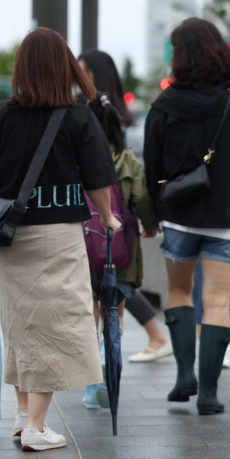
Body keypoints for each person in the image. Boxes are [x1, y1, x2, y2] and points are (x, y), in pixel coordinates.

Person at [0, 28, 121, 451]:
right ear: (62, 66)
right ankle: (35, 425)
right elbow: (99, 179)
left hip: (7, 236)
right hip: (57, 236)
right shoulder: (78, 116)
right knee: (54, 325)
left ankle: (21, 415)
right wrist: (108, 217)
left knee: (19, 321)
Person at [144, 17, 230, 415]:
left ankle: (184, 376)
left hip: (178, 216)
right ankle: (210, 393)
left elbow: (151, 164)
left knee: (178, 292)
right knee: (219, 301)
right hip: (225, 219)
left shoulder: (165, 104)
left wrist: (153, 214)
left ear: (179, 56)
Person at [78, 49, 172, 363]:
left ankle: (94, 369)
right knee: (116, 293)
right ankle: (110, 361)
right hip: (118, 231)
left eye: (82, 71)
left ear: (94, 75)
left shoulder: (85, 119)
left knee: (92, 298)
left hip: (84, 230)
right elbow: (138, 188)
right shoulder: (121, 139)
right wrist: (149, 221)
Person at [81, 94, 160, 409]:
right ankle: (108, 369)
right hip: (119, 249)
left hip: (83, 248)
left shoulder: (76, 158)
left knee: (89, 316)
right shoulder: (126, 158)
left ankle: (90, 391)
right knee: (114, 314)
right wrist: (151, 226)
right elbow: (140, 198)